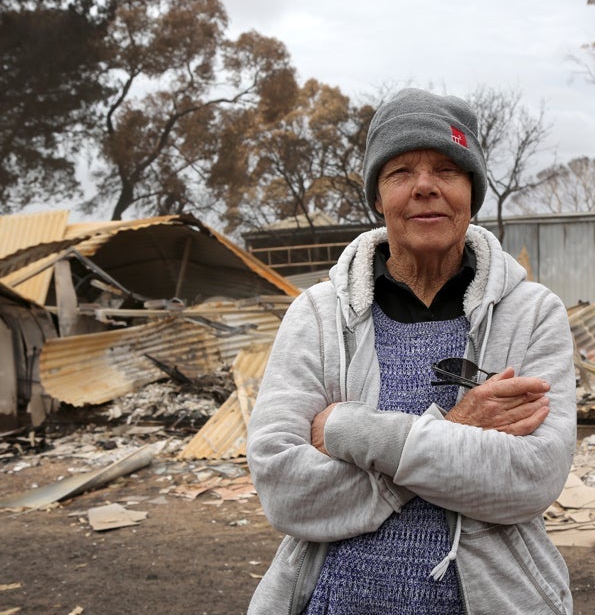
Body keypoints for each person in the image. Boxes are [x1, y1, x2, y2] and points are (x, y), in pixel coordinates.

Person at [246, 88, 576, 614]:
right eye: (400, 172)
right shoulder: (317, 315)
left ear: (472, 191)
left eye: (447, 169)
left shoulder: (533, 314)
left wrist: (350, 432)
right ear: (378, 198)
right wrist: (458, 435)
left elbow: (530, 479)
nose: (425, 187)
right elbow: (284, 490)